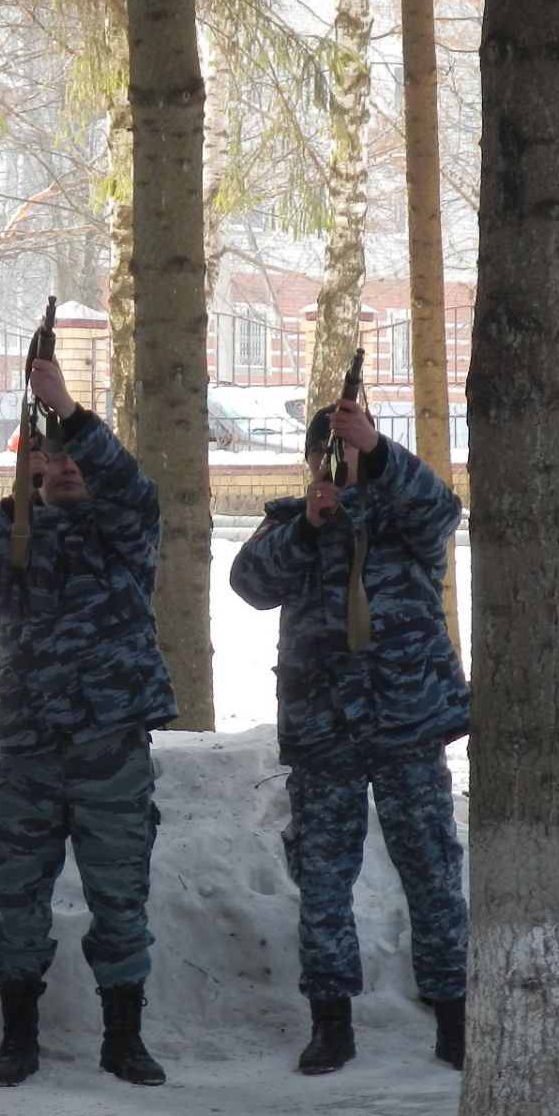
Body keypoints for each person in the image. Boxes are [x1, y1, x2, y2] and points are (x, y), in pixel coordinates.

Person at [0, 358, 178, 1088]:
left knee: (120, 901)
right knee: (18, 902)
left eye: (79, 460)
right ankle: (18, 1039)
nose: (70, 469)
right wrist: (18, 501)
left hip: (110, 748)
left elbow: (132, 489)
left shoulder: (124, 533)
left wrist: (69, 413)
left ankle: (124, 1039)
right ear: (35, 466)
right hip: (31, 752)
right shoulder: (15, 538)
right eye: (56, 460)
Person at [228, 398, 470, 1074]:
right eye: (328, 455)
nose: (337, 467)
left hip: (407, 725)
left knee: (432, 875)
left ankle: (453, 1016)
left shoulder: (405, 520)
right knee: (325, 882)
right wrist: (308, 525)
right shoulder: (289, 526)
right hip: (323, 732)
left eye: (349, 456)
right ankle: (330, 1020)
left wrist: (382, 454)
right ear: (310, 463)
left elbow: (442, 511)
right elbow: (250, 583)